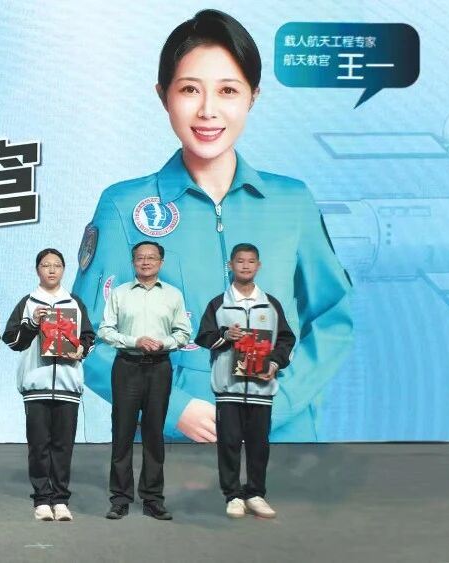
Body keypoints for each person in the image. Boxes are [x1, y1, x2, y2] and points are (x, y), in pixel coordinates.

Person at [72, 8, 353, 445]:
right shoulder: (123, 207)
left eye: (228, 90)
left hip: (285, 441)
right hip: (172, 448)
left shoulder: (292, 202)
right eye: (189, 89)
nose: (208, 110)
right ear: (163, 95)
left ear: (252, 96)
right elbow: (83, 337)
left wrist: (280, 401)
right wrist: (172, 408)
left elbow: (333, 316)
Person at [194, 243, 296, 519]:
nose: (246, 266)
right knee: (228, 443)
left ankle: (255, 493)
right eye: (240, 261)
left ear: (259, 266)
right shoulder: (218, 303)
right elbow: (203, 337)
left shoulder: (271, 304)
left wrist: (273, 363)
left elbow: (286, 340)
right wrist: (225, 336)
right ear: (231, 265)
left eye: (251, 261)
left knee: (258, 444)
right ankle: (233, 495)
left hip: (262, 388)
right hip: (228, 388)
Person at [98, 241, 191, 520]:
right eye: (140, 257)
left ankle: (153, 498)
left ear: (161, 262)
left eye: (151, 257)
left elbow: (183, 333)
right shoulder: (119, 293)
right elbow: (105, 330)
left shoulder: (173, 295)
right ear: (133, 262)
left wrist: (164, 343)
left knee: (154, 434)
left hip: (159, 368)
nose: (146, 262)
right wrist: (134, 341)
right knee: (122, 433)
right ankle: (120, 498)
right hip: (127, 366)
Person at [2, 248, 95, 522]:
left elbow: (89, 337)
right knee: (39, 444)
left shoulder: (74, 302)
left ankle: (61, 499)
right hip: (36, 384)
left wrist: (81, 349)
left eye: (57, 265)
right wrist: (32, 323)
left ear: (64, 270)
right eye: (46, 265)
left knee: (63, 445)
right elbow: (12, 340)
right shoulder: (28, 302)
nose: (52, 270)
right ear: (37, 270)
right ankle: (42, 499)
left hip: (68, 384)